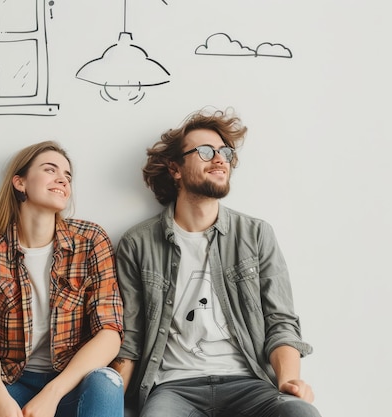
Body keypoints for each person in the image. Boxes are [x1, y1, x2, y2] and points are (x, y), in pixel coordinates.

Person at [110, 108, 322, 417]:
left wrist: (290, 380)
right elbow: (130, 337)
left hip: (248, 383)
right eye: (206, 152)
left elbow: (281, 322)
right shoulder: (138, 243)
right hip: (173, 388)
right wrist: (112, 402)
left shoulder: (256, 234)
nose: (220, 159)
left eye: (225, 152)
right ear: (175, 168)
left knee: (301, 414)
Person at [0, 141, 125, 417]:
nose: (62, 179)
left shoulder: (91, 240)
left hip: (70, 381)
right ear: (20, 182)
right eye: (50, 170)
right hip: (12, 380)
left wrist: (52, 393)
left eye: (67, 175)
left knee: (107, 383)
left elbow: (110, 332)